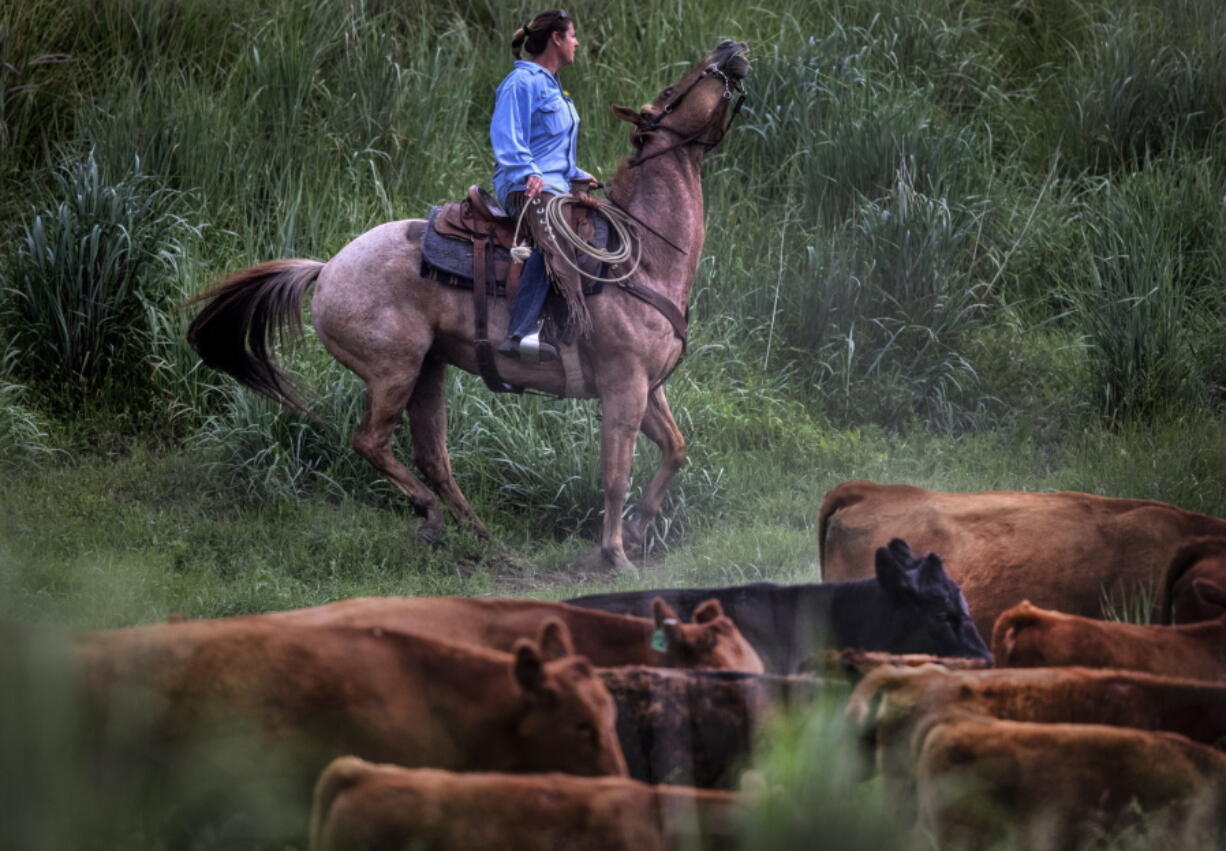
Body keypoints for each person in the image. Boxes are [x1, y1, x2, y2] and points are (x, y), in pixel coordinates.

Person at [490, 9, 597, 362]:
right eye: (572, 36)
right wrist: (527, 172)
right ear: (556, 38)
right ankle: (521, 333)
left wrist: (578, 175)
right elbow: (508, 137)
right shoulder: (522, 83)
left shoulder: (556, 90)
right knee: (556, 237)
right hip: (526, 186)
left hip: (554, 184)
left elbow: (551, 152)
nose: (577, 42)